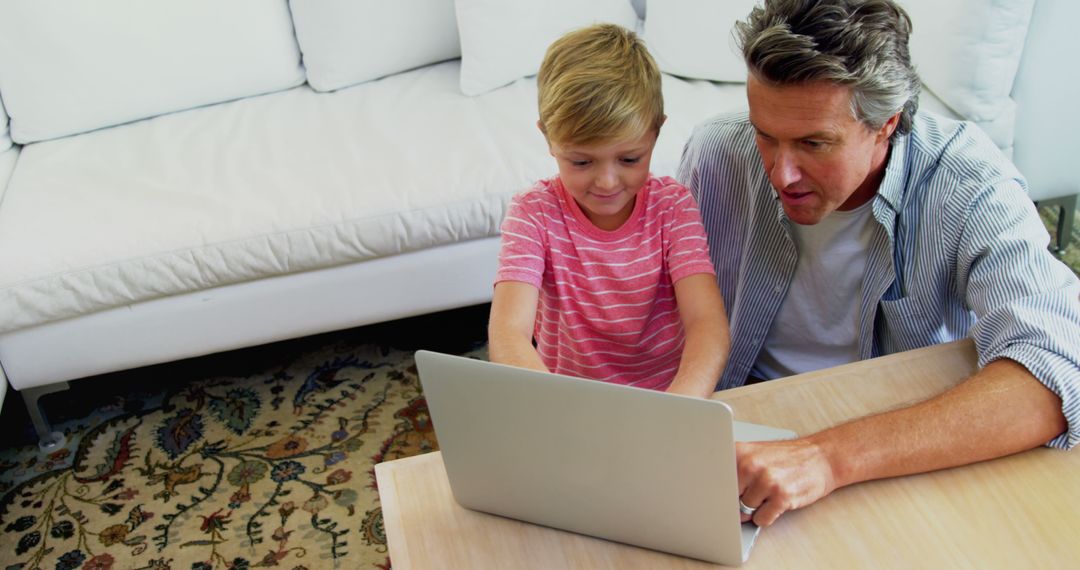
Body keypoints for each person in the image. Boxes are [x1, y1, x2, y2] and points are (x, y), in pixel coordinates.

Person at [677, 0, 1080, 526]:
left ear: (886, 123)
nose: (782, 173)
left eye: (814, 143)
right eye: (765, 135)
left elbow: (1054, 375)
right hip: (744, 427)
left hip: (892, 446)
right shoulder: (716, 152)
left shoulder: (969, 184)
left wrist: (827, 456)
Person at [488, 24, 730, 398]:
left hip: (668, 398)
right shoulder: (532, 213)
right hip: (570, 404)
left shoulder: (672, 206)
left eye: (630, 159)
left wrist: (680, 406)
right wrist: (551, 404)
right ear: (548, 139)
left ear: (656, 132)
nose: (606, 182)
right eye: (582, 162)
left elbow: (706, 324)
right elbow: (507, 332)